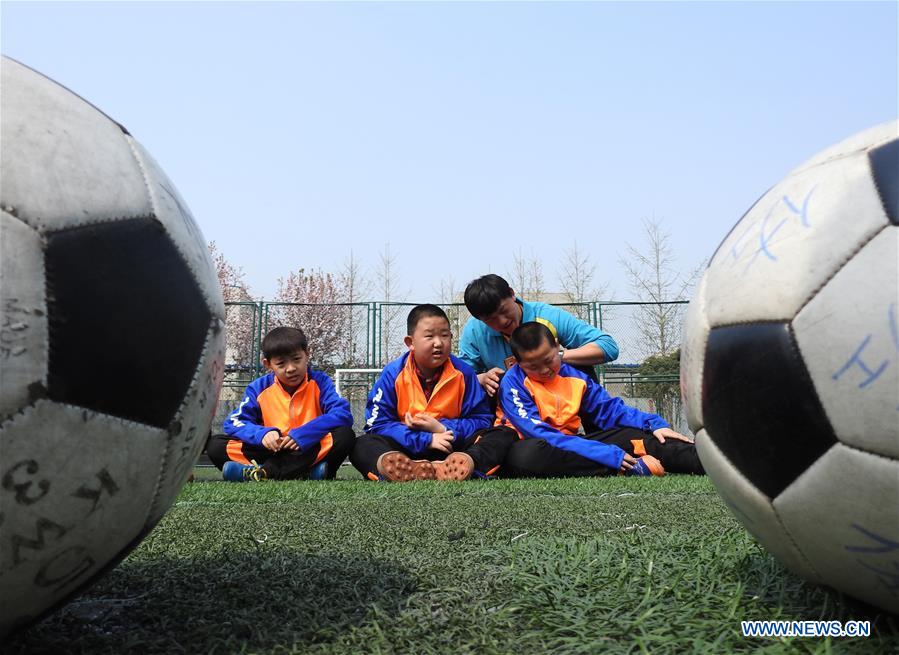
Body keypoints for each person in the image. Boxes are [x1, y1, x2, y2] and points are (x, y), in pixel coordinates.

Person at [497, 321, 704, 478]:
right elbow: (541, 433)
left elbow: (611, 411)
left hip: (574, 446)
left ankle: (712, 460)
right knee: (527, 456)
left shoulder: (575, 377)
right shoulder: (512, 383)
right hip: (534, 447)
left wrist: (653, 424)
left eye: (549, 360)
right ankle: (623, 466)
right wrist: (607, 455)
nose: (544, 370)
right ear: (517, 363)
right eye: (533, 367)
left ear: (558, 347)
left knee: (641, 436)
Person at [351, 304, 518, 482]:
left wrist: (443, 429)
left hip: (453, 448)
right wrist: (426, 439)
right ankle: (408, 469)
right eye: (429, 336)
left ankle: (464, 466)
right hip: (406, 447)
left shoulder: (464, 373)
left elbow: (481, 419)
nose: (438, 343)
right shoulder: (393, 374)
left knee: (502, 434)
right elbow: (377, 424)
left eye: (445, 335)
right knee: (362, 444)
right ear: (410, 342)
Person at [208, 326, 356, 481]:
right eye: (281, 364)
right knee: (216, 445)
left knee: (344, 436)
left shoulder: (321, 382)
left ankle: (262, 473)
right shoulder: (259, 388)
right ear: (268, 364)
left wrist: (304, 434)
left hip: (306, 448)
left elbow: (342, 414)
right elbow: (233, 422)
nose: (291, 368)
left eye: (296, 359)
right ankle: (307, 473)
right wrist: (262, 434)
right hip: (273, 451)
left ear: (307, 354)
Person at [460, 274, 618, 398]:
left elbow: (608, 346)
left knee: (580, 366)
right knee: (491, 382)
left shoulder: (547, 316)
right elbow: (460, 377)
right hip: (511, 400)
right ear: (480, 319)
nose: (502, 321)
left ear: (512, 294)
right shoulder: (474, 331)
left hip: (555, 393)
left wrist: (556, 356)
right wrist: (482, 378)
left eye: (503, 310)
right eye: (490, 319)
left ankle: (599, 429)